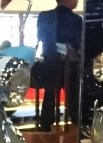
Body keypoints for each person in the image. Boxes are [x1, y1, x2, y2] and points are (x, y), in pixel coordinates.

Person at [35, 0, 82, 132]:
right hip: (69, 65)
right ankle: (75, 125)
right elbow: (77, 43)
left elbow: (41, 36)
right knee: (73, 96)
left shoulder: (44, 16)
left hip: (48, 63)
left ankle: (45, 126)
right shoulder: (76, 20)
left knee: (49, 95)